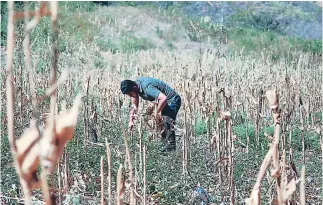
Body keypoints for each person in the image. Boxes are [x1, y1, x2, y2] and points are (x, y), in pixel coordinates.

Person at [120, 77, 181, 152]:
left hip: (172, 100)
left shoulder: (147, 88)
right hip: (163, 102)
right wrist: (131, 121)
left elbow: (164, 98)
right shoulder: (135, 88)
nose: (130, 96)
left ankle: (170, 153)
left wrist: (156, 113)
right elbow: (134, 105)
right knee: (162, 126)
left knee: (167, 125)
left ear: (134, 88)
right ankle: (165, 151)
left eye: (130, 94)